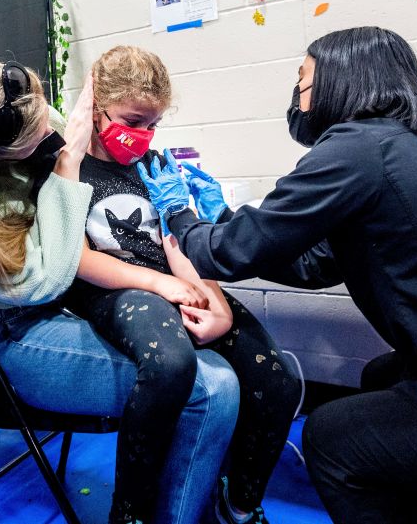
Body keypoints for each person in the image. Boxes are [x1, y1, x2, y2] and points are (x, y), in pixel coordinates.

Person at [137, 26, 417, 523]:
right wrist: (222, 216)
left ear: (339, 82)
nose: (298, 95)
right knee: (380, 375)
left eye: (302, 81)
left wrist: (181, 215)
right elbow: (314, 263)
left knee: (331, 440)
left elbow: (229, 254)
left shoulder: (355, 149)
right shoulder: (397, 148)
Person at [0, 60, 241, 524]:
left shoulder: (29, 117)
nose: (53, 139)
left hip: (77, 300)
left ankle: (204, 507)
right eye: (41, 143)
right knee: (213, 388)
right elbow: (41, 282)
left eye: (54, 133)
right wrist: (68, 163)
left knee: (233, 367)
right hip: (23, 327)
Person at [66, 46, 301, 524]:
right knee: (171, 364)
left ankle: (237, 505)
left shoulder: (153, 165)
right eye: (133, 120)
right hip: (115, 289)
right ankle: (130, 513)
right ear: (96, 109)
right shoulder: (69, 168)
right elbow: (75, 258)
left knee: (278, 380)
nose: (143, 136)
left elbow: (180, 241)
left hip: (171, 279)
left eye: (153, 125)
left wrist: (217, 302)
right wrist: (160, 284)